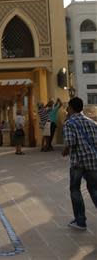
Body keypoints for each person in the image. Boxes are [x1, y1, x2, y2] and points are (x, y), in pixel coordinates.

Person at [62, 97, 97, 230]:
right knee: (94, 189)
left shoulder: (69, 123)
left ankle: (80, 221)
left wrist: (66, 149)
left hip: (78, 162)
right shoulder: (92, 122)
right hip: (93, 160)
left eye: (67, 107)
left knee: (75, 189)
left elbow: (71, 142)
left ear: (71, 108)